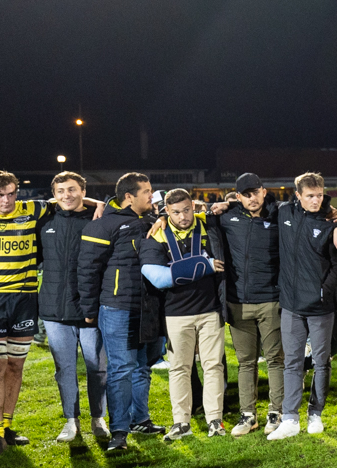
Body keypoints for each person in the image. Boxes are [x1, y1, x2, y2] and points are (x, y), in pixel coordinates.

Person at [78, 173, 168, 451]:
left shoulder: (152, 222)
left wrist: (162, 216)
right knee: (121, 368)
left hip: (149, 306)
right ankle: (118, 431)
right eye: (146, 192)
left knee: (143, 366)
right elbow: (88, 270)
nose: (151, 197)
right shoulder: (104, 226)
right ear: (128, 196)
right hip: (117, 307)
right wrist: (90, 309)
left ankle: (140, 419)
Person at [139, 189, 227, 439]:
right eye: (176, 212)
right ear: (166, 211)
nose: (183, 216)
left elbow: (232, 206)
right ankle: (181, 422)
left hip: (210, 310)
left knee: (213, 366)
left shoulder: (208, 224)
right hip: (176, 313)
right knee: (179, 368)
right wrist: (205, 266)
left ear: (193, 206)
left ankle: (215, 420)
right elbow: (158, 278)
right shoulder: (156, 234)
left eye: (187, 209)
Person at [210, 173, 285, 436]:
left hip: (271, 300)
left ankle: (276, 413)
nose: (251, 198)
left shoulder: (279, 215)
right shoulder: (226, 218)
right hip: (238, 302)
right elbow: (189, 219)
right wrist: (162, 217)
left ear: (264, 191)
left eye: (255, 192)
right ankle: (248, 415)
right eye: (245, 194)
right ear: (237, 196)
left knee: (276, 359)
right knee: (246, 362)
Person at [267, 172, 337, 440]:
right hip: (291, 304)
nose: (315, 200)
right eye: (310, 195)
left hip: (320, 306)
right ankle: (290, 418)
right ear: (297, 195)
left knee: (321, 362)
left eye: (320, 195)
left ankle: (316, 414)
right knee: (292, 362)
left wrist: (323, 291)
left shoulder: (330, 223)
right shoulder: (284, 212)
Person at [41, 171, 110, 443]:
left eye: (72, 190)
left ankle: (98, 418)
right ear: (54, 195)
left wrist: (97, 205)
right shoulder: (45, 219)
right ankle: (71, 421)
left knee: (96, 367)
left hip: (89, 308)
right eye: (60, 191)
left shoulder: (97, 220)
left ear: (83, 190)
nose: (66, 196)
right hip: (54, 309)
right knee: (64, 369)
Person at [0, 170, 48, 456]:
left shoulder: (32, 209)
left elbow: (67, 198)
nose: (7, 200)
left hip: (24, 299)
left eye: (12, 193)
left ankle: (8, 426)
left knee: (15, 366)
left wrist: (99, 204)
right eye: (0, 195)